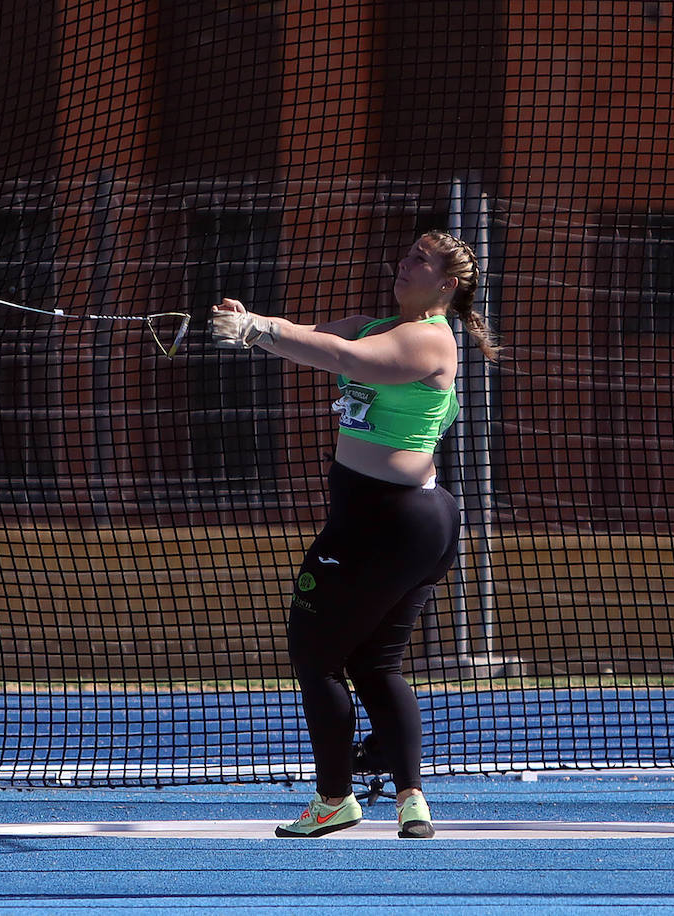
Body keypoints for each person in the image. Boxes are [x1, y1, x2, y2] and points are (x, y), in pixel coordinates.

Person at [209, 230, 499, 839]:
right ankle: (411, 800)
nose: (404, 262)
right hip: (403, 521)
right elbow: (319, 339)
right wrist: (252, 322)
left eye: (420, 259)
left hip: (386, 522)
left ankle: (335, 798)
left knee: (316, 658)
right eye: (408, 252)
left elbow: (348, 362)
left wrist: (261, 331)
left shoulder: (428, 340)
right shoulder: (376, 326)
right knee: (377, 664)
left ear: (447, 284)